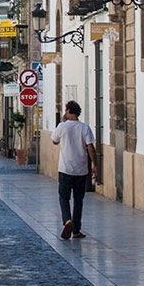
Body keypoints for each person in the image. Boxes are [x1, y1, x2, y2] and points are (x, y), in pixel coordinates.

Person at [52, 101, 96, 240]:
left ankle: (67, 220)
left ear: (69, 111)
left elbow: (54, 141)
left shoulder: (62, 126)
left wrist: (63, 122)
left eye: (66, 110)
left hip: (65, 169)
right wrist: (95, 164)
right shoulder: (85, 127)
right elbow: (90, 147)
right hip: (81, 170)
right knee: (78, 200)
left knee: (63, 197)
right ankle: (76, 230)